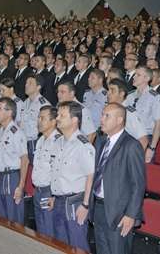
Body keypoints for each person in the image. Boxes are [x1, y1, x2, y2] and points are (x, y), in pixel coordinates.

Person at [91, 103, 145, 254]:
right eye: (102, 115)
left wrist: (130, 215)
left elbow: (138, 185)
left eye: (107, 116)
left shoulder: (131, 145)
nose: (102, 119)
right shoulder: (101, 141)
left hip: (119, 213)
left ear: (119, 120)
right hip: (99, 207)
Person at [51, 101, 95, 252]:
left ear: (75, 119)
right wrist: (53, 195)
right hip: (58, 200)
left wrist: (85, 205)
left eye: (62, 115)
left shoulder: (83, 145)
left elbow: (91, 176)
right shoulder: (58, 141)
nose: (57, 118)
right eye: (57, 114)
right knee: (60, 245)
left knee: (77, 245)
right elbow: (57, 171)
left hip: (74, 203)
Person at [0, 97, 28, 223]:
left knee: (13, 219)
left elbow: (24, 160)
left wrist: (20, 186)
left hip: (11, 178)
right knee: (0, 218)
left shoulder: (16, 133)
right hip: (0, 177)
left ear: (9, 112)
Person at [124, 66, 160, 163]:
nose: (134, 77)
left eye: (138, 75)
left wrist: (152, 148)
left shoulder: (155, 97)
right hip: (128, 137)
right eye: (134, 74)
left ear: (147, 79)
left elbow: (158, 124)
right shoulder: (129, 96)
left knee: (142, 172)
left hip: (146, 138)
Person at [31, 106, 60, 237]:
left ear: (53, 121)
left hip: (49, 192)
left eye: (43, 118)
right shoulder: (40, 140)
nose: (39, 121)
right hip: (38, 191)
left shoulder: (59, 141)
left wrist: (54, 195)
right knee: (41, 232)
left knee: (49, 232)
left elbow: (59, 171)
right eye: (38, 118)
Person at [21, 75, 51, 162]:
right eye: (26, 83)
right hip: (23, 142)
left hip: (35, 142)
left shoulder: (44, 104)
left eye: (30, 83)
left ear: (38, 87)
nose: (26, 85)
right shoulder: (25, 102)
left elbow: (47, 128)